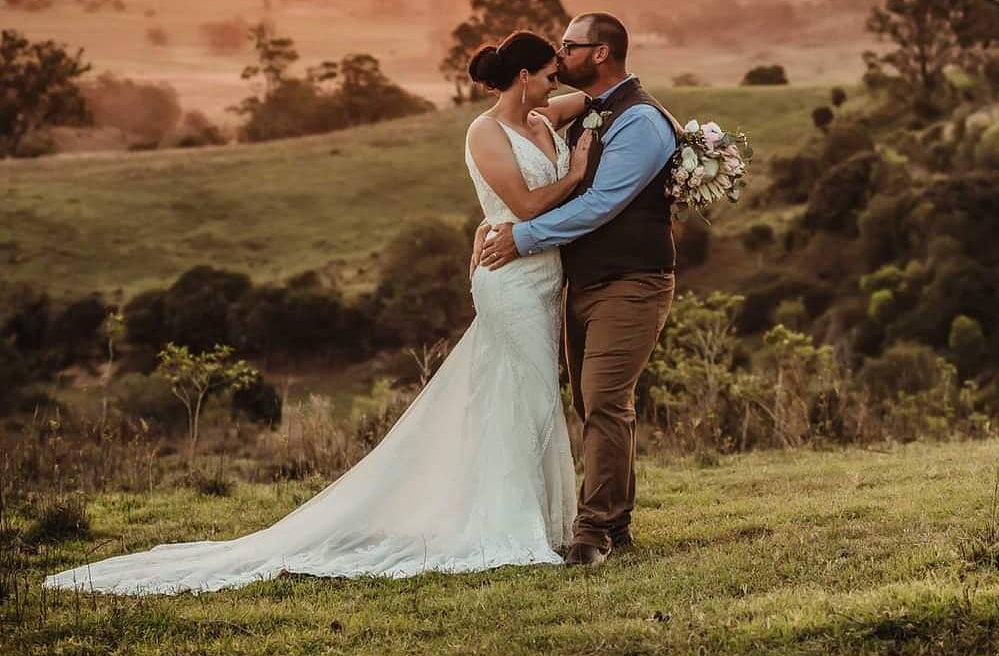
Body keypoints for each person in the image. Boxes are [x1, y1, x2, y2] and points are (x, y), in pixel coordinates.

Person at [44, 31, 591, 594]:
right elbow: (524, 205)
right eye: (550, 75)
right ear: (523, 77)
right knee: (523, 391)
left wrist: (615, 97)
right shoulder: (484, 131)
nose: (558, 84)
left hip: (544, 277)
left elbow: (596, 97)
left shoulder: (542, 118)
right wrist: (574, 176)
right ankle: (508, 521)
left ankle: (537, 517)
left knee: (529, 393)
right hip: (508, 279)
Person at [479, 12, 679, 567]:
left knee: (606, 403)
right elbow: (528, 133)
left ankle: (593, 532)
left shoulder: (641, 121)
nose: (559, 53)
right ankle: (617, 521)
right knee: (594, 403)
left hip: (632, 281)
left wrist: (521, 238)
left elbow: (600, 204)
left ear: (600, 53)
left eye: (569, 46)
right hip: (581, 282)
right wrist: (491, 221)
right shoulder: (594, 107)